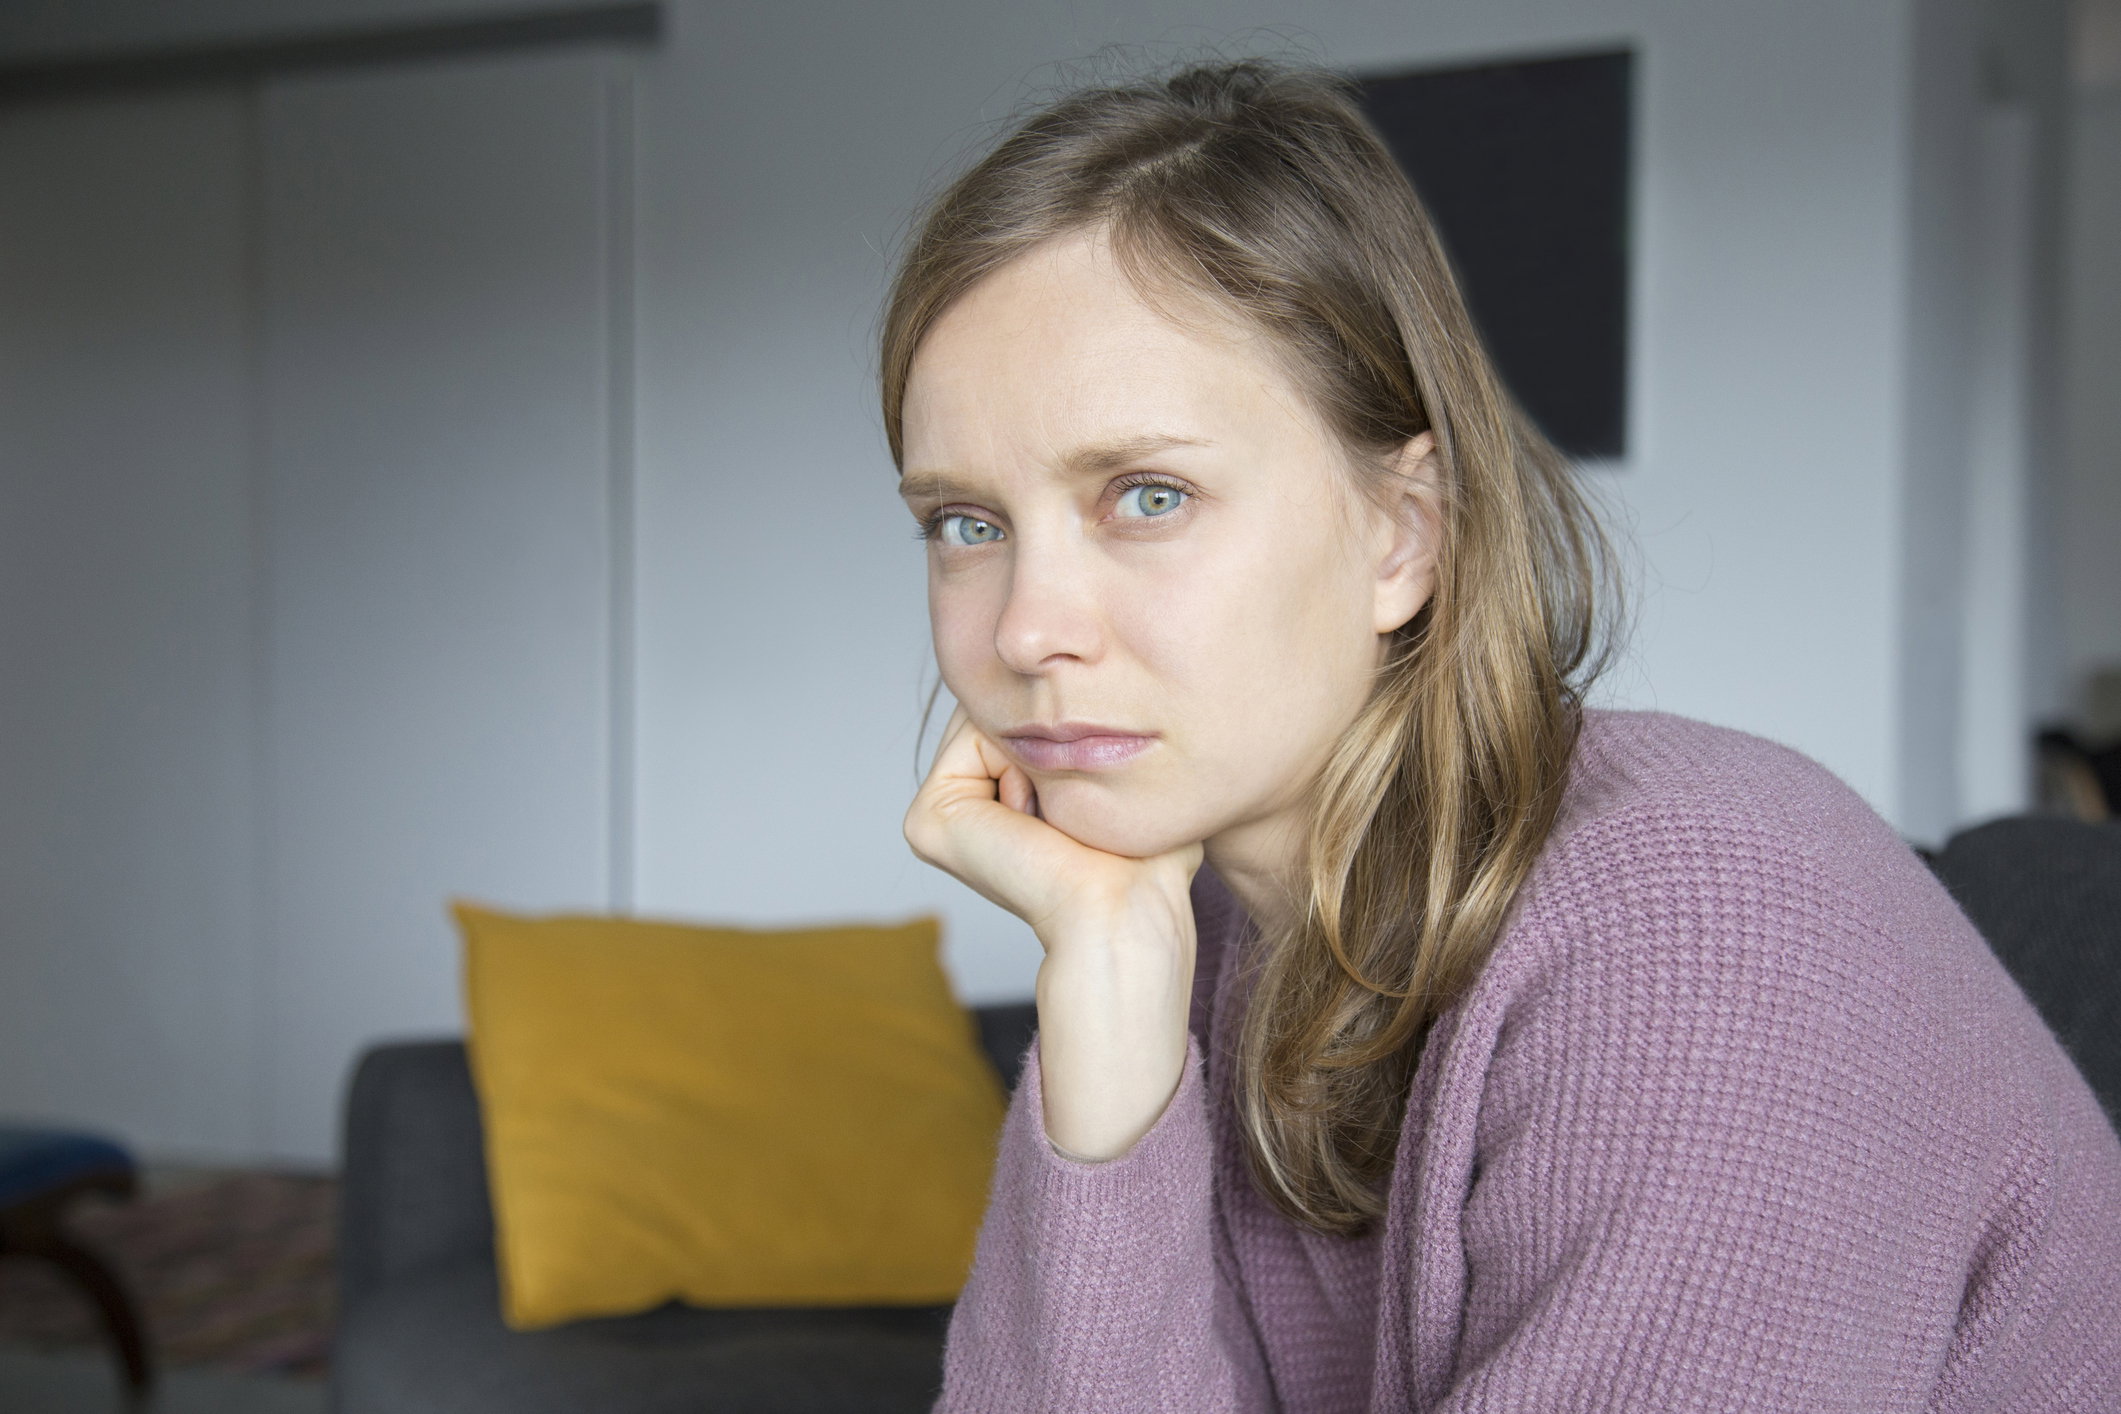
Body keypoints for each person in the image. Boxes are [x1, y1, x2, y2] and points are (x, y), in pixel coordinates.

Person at [881, 56, 2121, 1412]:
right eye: (967, 524)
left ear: (1400, 535)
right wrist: (1105, 1015)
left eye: (1147, 495)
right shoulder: (1177, 933)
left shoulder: (1705, 917)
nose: (1022, 630)